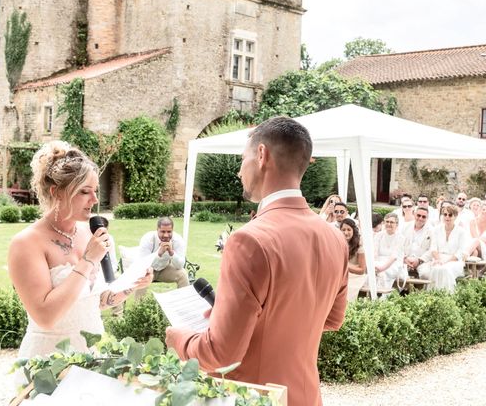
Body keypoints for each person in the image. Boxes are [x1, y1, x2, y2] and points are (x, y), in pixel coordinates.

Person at [166, 117, 348, 406]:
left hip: (254, 396)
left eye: (243, 159)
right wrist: (245, 319)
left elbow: (221, 354)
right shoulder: (336, 238)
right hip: (306, 395)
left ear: (261, 155)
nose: (239, 171)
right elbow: (332, 319)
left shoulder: (249, 240)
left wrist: (181, 339)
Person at [8, 141, 153, 362]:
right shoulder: (26, 243)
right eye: (84, 192)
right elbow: (45, 316)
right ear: (57, 192)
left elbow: (100, 301)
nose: (94, 200)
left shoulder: (92, 235)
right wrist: (88, 260)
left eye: (95, 191)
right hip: (49, 360)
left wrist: (132, 284)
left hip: (93, 352)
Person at [418, 203, 468, 292]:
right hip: (438, 259)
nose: (447, 217)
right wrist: (438, 260)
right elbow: (433, 248)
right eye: (445, 214)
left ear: (455, 216)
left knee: (444, 269)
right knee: (437, 269)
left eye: (450, 215)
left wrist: (445, 261)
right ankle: (434, 294)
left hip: (454, 261)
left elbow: (460, 252)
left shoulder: (461, 232)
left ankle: (448, 295)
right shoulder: (436, 230)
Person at [137, 216, 190, 289]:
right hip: (148, 270)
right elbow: (143, 264)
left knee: (183, 274)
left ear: (172, 230)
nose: (166, 235)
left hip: (165, 268)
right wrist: (159, 254)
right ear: (157, 230)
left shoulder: (178, 240)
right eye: (162, 231)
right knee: (141, 275)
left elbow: (180, 265)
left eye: (169, 232)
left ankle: (183, 299)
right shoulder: (147, 239)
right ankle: (140, 301)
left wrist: (171, 253)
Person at [373, 212, 406, 291]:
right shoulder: (379, 235)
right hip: (379, 262)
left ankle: (382, 297)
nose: (389, 224)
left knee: (383, 274)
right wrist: (374, 265)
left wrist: (382, 268)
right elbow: (374, 253)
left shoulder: (400, 238)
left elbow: (394, 257)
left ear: (396, 224)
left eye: (391, 222)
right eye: (387, 222)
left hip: (393, 264)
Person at [401, 205, 432, 277]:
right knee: (397, 272)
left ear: (427, 218)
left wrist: (419, 260)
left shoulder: (432, 231)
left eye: (424, 217)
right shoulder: (405, 227)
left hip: (422, 261)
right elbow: (399, 245)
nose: (420, 218)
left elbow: (432, 249)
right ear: (414, 215)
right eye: (418, 215)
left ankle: (419, 288)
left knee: (426, 274)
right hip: (405, 259)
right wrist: (404, 258)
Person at [341, 218, 366, 301]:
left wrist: (345, 265)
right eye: (343, 230)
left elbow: (362, 270)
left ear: (353, 231)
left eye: (349, 230)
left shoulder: (359, 245)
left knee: (347, 288)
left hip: (355, 276)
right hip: (341, 274)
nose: (346, 232)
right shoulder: (337, 243)